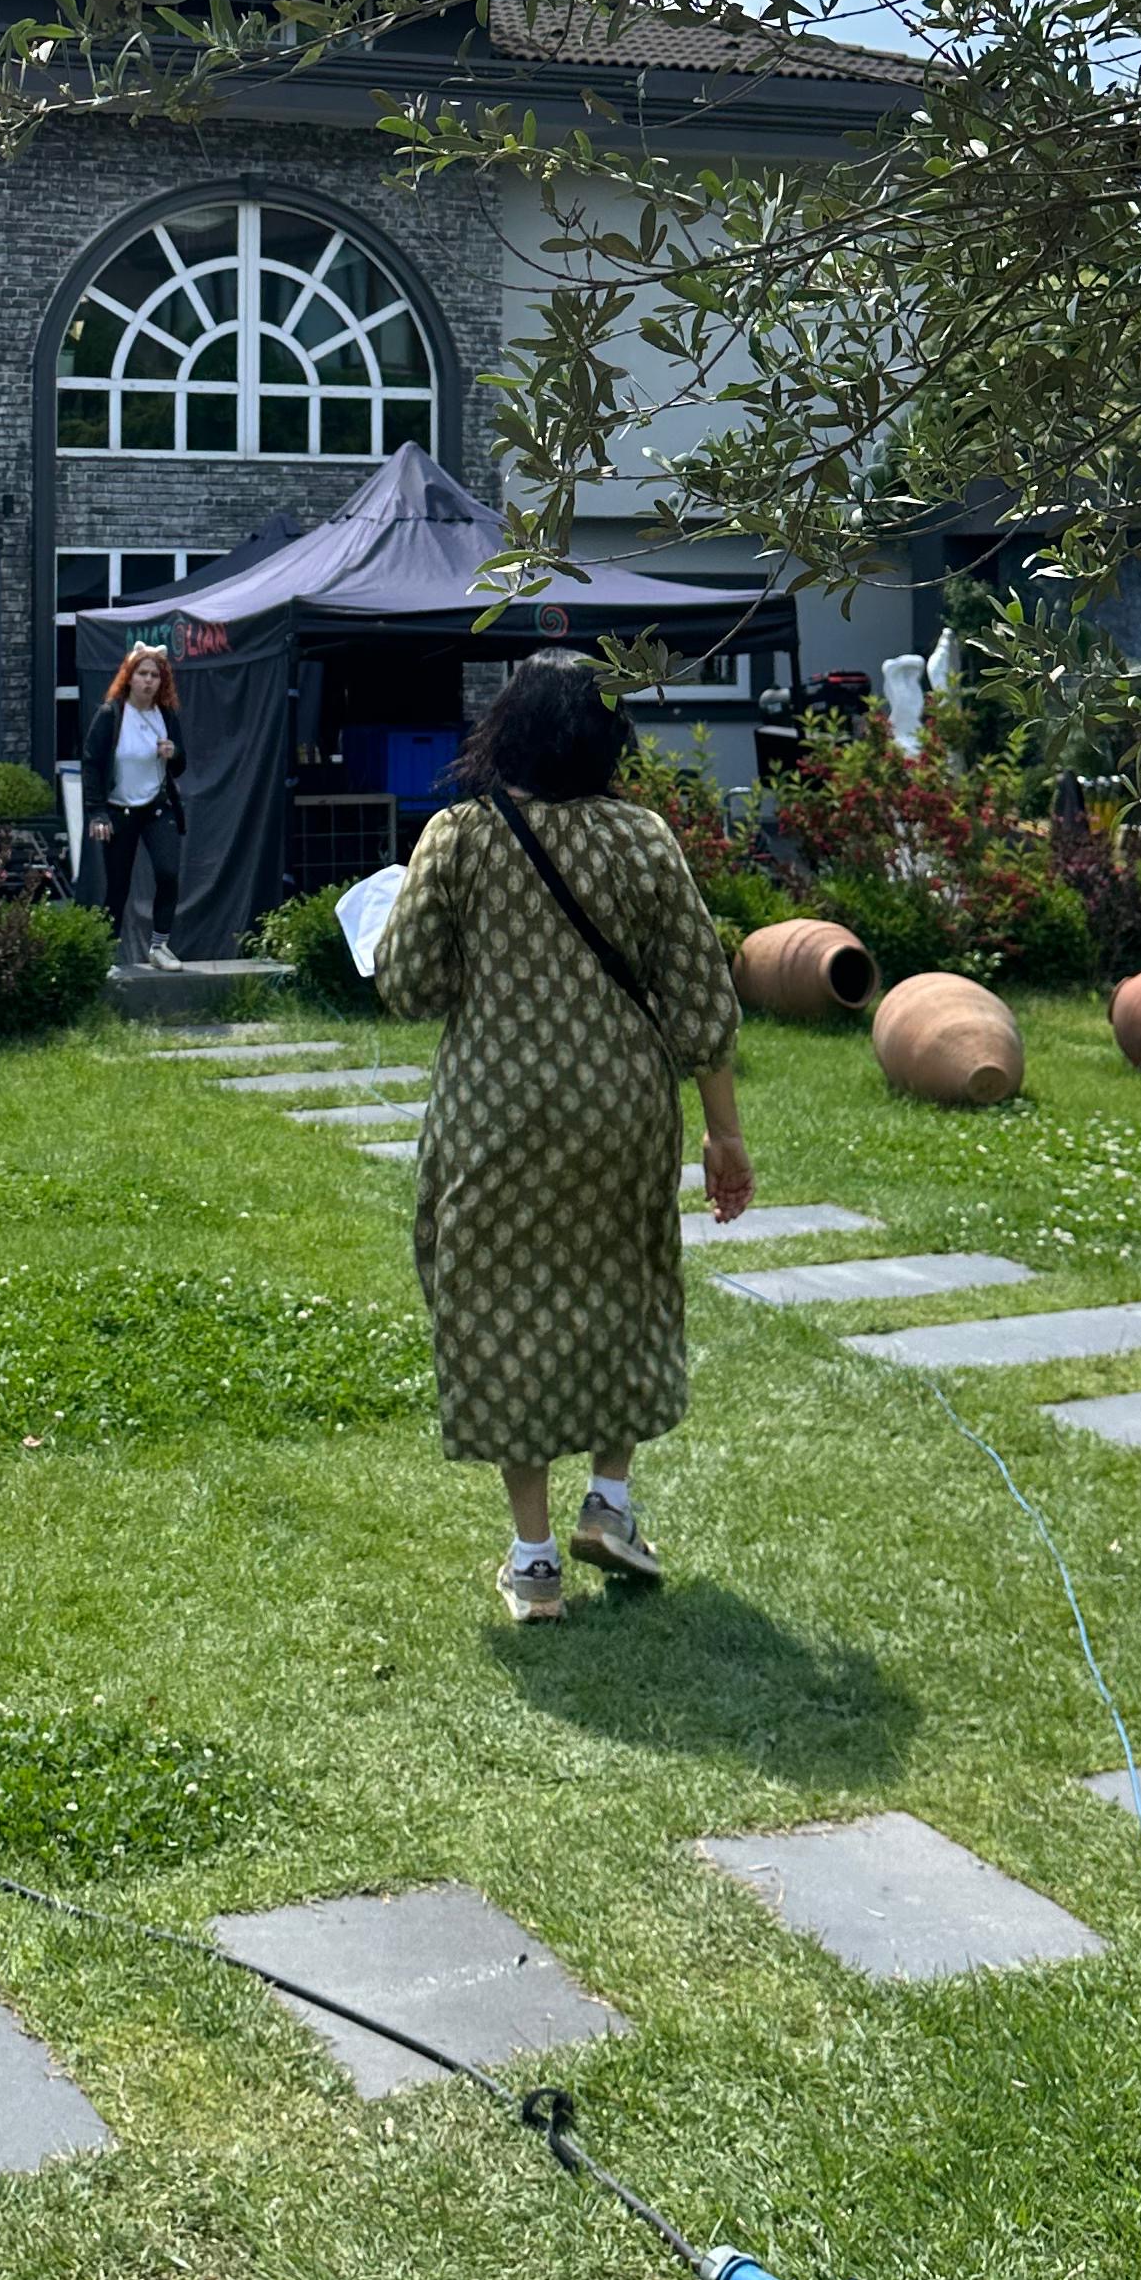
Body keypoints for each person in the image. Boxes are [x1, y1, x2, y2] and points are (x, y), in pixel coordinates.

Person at [374, 651, 754, 1623]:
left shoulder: (460, 837)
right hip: (621, 1110)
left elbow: (409, 984)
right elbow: (701, 996)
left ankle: (535, 1562)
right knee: (626, 1287)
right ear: (606, 736)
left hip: (494, 1113)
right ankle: (610, 1504)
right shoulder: (642, 837)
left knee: (499, 1308)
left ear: (504, 728)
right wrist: (723, 1135)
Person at [82, 643, 188, 968]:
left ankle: (159, 946)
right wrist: (97, 812)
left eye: (155, 675)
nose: (148, 681)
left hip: (157, 808)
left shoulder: (165, 715)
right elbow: (91, 763)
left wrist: (174, 753)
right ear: (129, 677)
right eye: (142, 674)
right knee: (118, 886)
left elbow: (180, 765)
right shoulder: (111, 714)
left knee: (168, 874)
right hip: (119, 810)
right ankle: (106, 955)